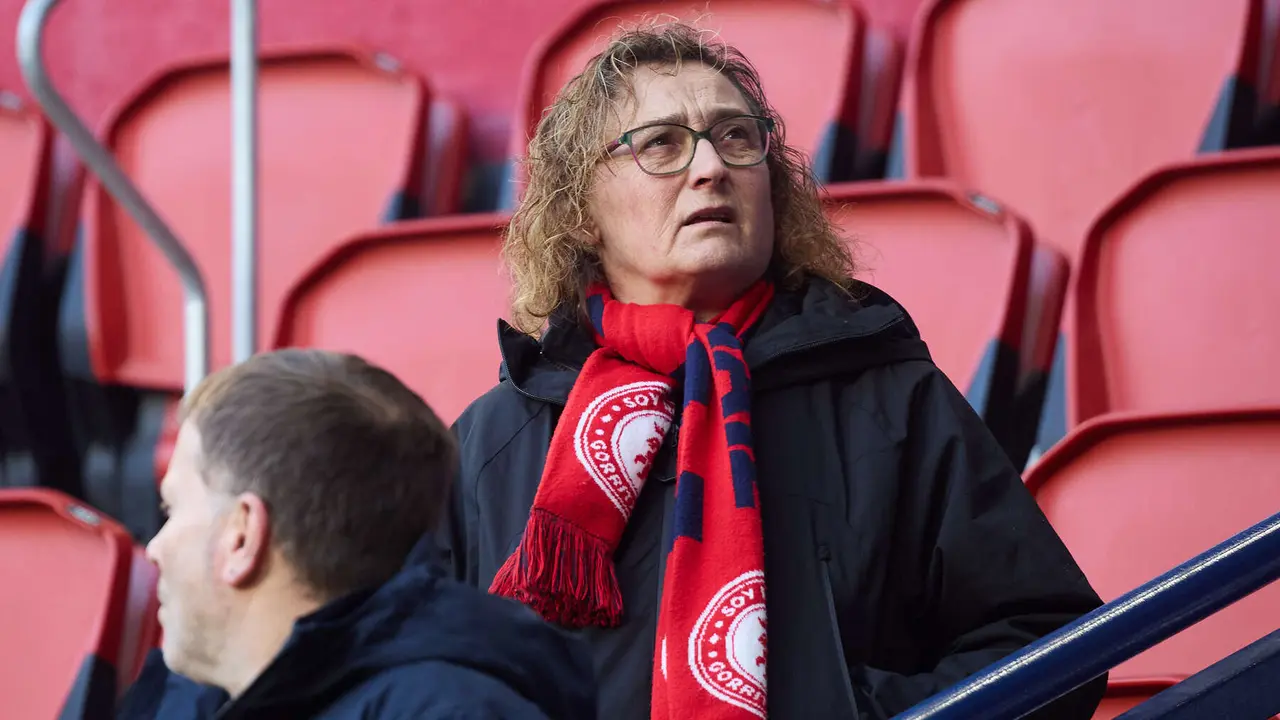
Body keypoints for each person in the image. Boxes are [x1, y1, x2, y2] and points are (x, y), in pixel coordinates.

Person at [444, 21, 1107, 720]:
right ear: (580, 212)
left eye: (737, 137)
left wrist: (849, 711)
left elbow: (1051, 645)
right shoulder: (495, 443)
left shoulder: (888, 396)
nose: (711, 168)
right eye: (661, 144)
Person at [116, 349, 597, 720]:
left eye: (172, 509)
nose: (154, 549)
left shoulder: (451, 709)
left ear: (241, 536)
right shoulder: (191, 699)